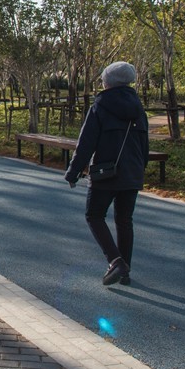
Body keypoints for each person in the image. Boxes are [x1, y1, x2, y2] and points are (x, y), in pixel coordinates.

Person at [64, 61, 149, 286]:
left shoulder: (100, 105)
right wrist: (141, 169)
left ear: (108, 82)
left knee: (94, 215)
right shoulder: (138, 108)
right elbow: (144, 143)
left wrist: (73, 172)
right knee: (124, 220)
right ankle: (125, 272)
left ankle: (116, 261)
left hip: (105, 173)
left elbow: (86, 142)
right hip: (132, 172)